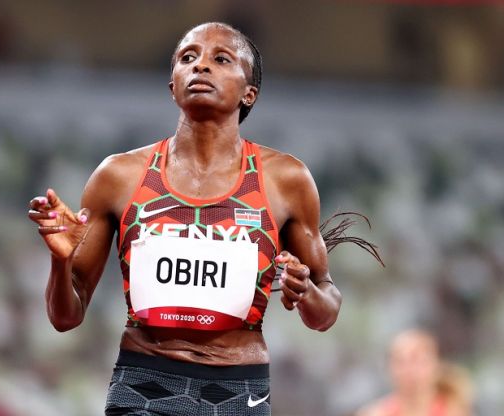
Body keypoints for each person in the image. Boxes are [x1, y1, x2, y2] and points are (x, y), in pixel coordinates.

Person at [28, 22, 380, 416]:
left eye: (221, 59)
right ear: (172, 84)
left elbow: (325, 312)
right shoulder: (118, 176)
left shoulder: (287, 180)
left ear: (250, 93)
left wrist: (307, 294)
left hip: (238, 391)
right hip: (144, 384)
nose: (201, 67)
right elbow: (65, 317)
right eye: (188, 58)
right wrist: (61, 261)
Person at [356, 329, 474, 416]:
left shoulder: (455, 411)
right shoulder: (374, 413)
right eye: (400, 361)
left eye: (416, 359)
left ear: (435, 364)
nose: (408, 369)